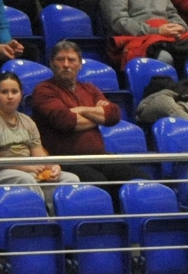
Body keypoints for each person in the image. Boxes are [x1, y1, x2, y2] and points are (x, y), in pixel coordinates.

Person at [29, 41, 136, 187]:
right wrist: (98, 115)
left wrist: (82, 110)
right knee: (100, 184)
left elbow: (114, 115)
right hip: (66, 160)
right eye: (60, 59)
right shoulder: (43, 90)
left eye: (71, 60)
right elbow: (65, 121)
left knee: (139, 179)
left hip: (98, 158)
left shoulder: (89, 89)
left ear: (80, 65)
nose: (66, 64)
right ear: (51, 63)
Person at [0, 71, 80, 204]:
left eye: (14, 92)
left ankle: (60, 215)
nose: (10, 96)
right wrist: (26, 167)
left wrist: (54, 166)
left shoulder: (27, 121)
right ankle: (42, 214)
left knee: (71, 179)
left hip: (30, 171)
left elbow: (39, 154)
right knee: (26, 179)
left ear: (21, 95)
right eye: (4, 92)